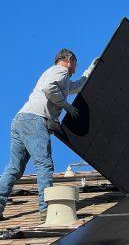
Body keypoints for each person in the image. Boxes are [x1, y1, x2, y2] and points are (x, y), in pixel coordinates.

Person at [0, 49, 98, 221]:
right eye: (75, 64)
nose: (75, 69)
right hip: (34, 120)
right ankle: (47, 209)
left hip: (21, 119)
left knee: (14, 168)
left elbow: (76, 86)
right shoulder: (60, 71)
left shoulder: (58, 75)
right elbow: (49, 88)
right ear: (69, 60)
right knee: (44, 163)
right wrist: (64, 105)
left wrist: (90, 69)